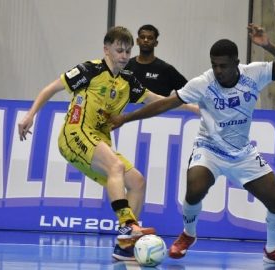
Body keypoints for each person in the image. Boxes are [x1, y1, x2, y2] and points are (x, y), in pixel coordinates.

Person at [110, 23, 275, 265]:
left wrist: (267, 45)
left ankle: (273, 249)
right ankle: (188, 234)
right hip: (209, 148)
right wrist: (125, 118)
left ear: (236, 62)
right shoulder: (203, 82)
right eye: (214, 65)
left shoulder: (255, 73)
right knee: (195, 187)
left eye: (223, 66)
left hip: (242, 153)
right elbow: (165, 103)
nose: (218, 71)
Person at [17, 26, 188, 262]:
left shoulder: (128, 80)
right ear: (106, 49)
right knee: (115, 167)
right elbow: (51, 88)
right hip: (75, 133)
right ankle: (128, 225)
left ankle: (125, 247)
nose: (124, 56)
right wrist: (30, 115)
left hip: (99, 140)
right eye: (119, 50)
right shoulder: (90, 70)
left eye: (128, 51)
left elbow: (158, 100)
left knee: (137, 181)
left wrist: (196, 106)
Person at [125, 24, 187, 96]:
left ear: (156, 43)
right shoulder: (126, 65)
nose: (145, 40)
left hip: (159, 107)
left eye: (150, 38)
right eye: (142, 37)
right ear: (137, 41)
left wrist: (173, 104)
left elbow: (187, 90)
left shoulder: (166, 69)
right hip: (129, 107)